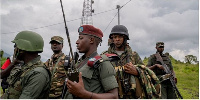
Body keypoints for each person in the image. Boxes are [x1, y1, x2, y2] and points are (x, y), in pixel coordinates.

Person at [101, 25, 160, 99]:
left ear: (125, 38)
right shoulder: (105, 55)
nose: (117, 39)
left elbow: (145, 71)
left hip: (131, 94)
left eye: (120, 37)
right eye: (115, 37)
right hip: (112, 94)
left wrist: (137, 71)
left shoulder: (133, 55)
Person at [64, 25, 118, 99]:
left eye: (81, 38)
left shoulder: (102, 63)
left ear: (91, 40)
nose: (77, 42)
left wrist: (84, 94)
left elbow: (114, 96)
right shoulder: (80, 62)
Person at [1, 31, 51, 99]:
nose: (15, 49)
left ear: (22, 48)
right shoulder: (25, 67)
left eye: (15, 46)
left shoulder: (38, 74)